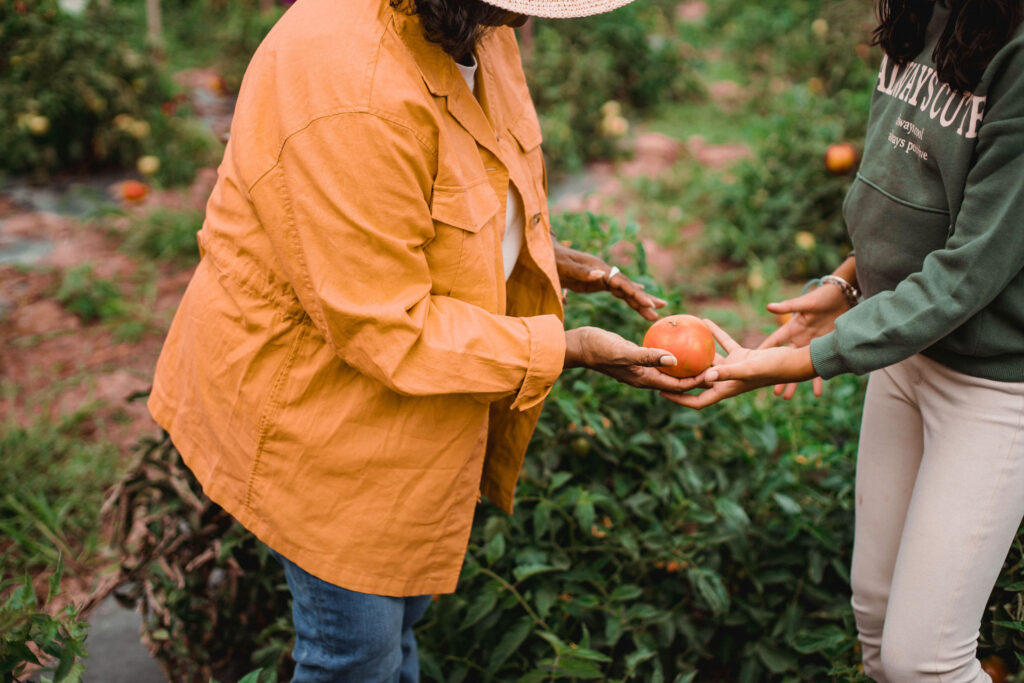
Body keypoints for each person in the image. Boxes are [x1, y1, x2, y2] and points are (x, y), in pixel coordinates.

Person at [147, 0, 702, 679]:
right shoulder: (351, 85)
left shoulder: (479, 27)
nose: (529, 16)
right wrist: (569, 346)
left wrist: (540, 251)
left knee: (400, 621)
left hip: (414, 395)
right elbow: (383, 322)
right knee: (354, 651)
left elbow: (458, 185)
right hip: (318, 406)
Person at [666, 0, 1024, 680]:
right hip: (904, 347)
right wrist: (849, 284)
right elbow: (914, 191)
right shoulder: (922, 14)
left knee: (924, 661)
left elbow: (971, 268)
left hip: (995, 384)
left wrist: (806, 360)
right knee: (877, 625)